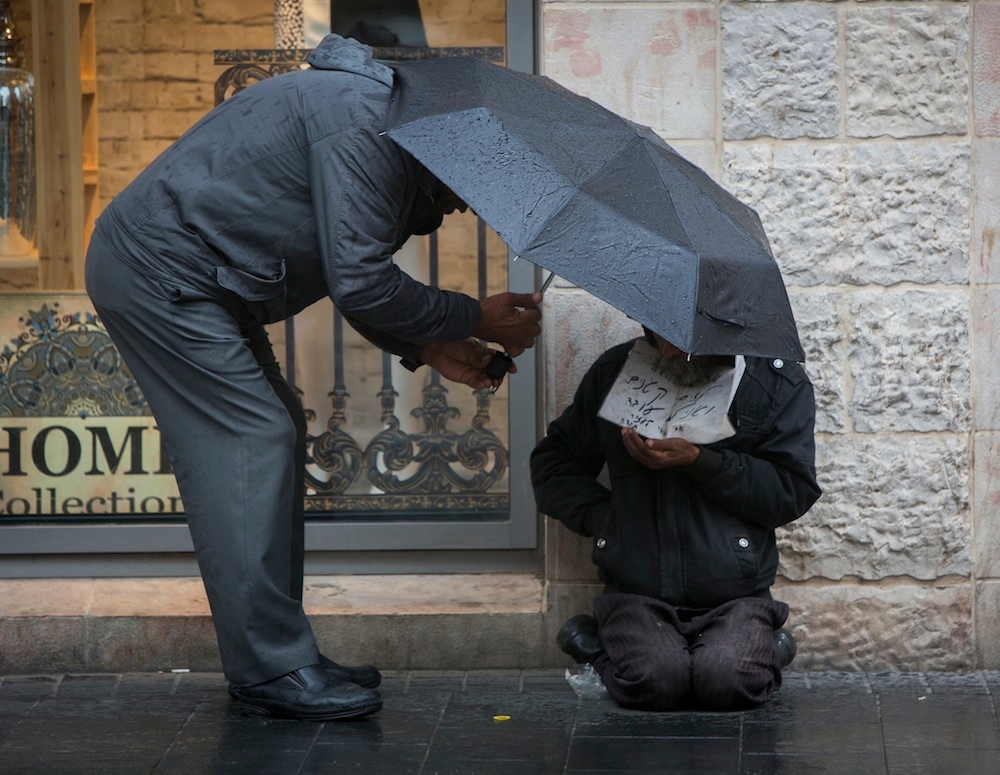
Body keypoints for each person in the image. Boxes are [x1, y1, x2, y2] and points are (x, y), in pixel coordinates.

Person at [84, 34, 542, 721]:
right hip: (161, 272)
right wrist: (472, 313)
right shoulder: (362, 124)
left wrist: (433, 344)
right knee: (254, 436)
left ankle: (279, 651)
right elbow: (360, 282)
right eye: (475, 190)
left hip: (204, 281)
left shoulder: (386, 130)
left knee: (278, 427)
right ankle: (270, 667)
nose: (467, 209)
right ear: (455, 147)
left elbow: (344, 272)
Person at [531, 328, 820, 711]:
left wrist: (703, 463)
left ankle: (769, 650)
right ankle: (594, 648)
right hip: (637, 590)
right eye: (658, 332)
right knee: (655, 683)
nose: (667, 347)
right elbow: (554, 464)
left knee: (727, 682)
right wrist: (607, 522)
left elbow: (791, 490)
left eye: (686, 338)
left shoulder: (773, 381)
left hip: (735, 593)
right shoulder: (616, 371)